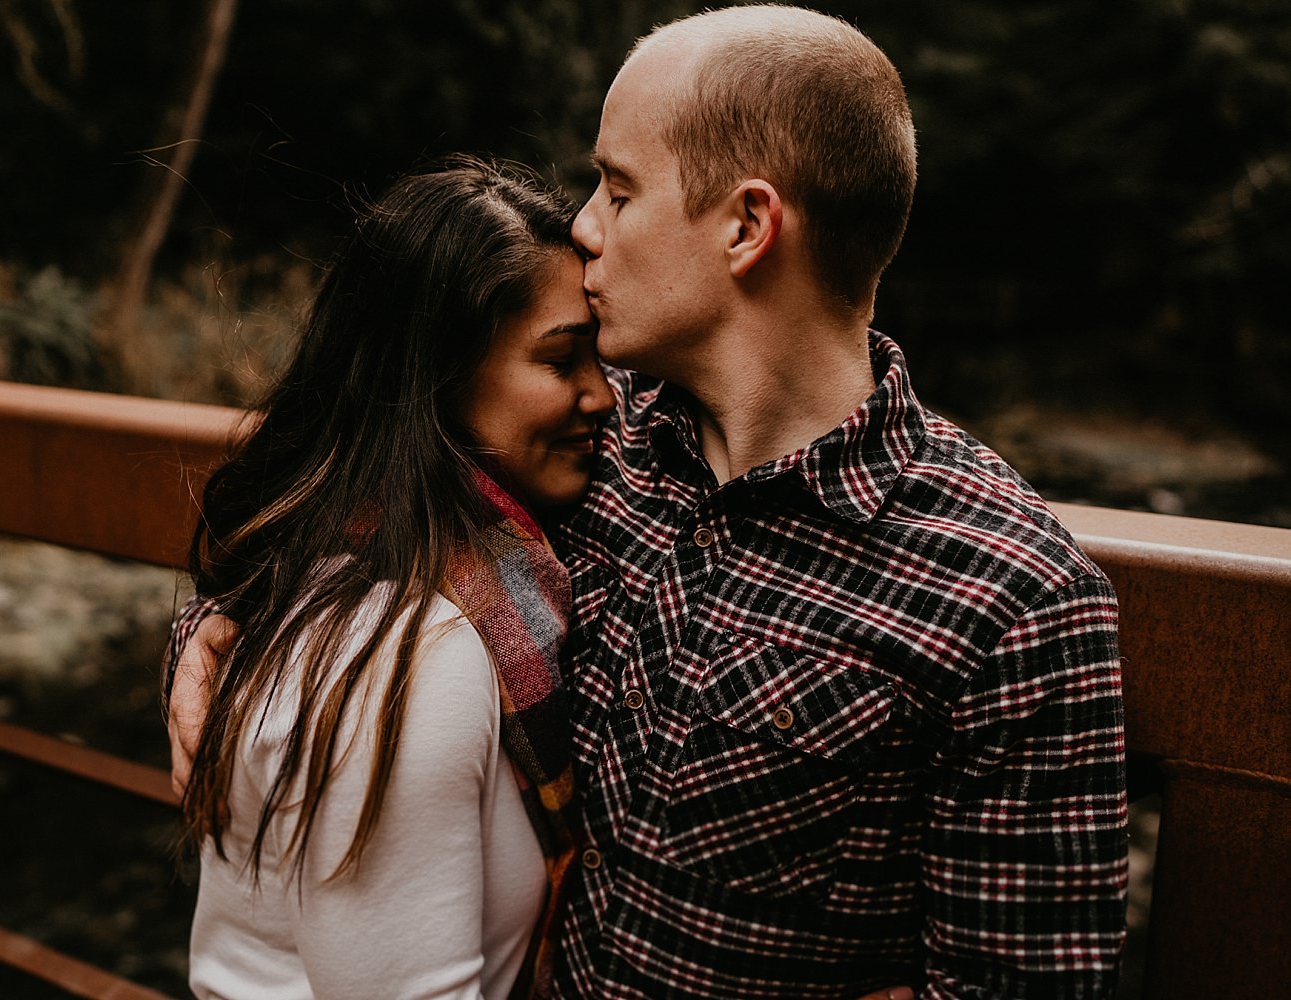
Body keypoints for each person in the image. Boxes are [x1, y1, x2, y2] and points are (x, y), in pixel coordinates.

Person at [170, 6, 1128, 997]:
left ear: (748, 227)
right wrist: (217, 627)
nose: (583, 223)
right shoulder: (591, 450)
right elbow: (355, 495)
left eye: (618, 190)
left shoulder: (1014, 596)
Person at [177, 157, 615, 999]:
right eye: (563, 362)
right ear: (437, 379)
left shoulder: (383, 552)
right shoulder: (410, 649)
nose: (605, 397)